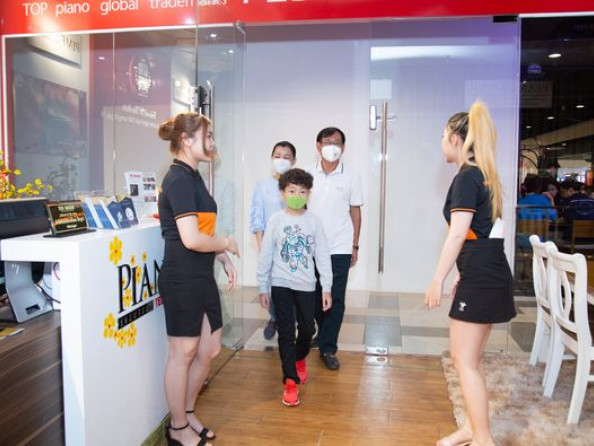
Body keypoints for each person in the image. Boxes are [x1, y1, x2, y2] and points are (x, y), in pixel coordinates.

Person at [425, 102, 516, 446]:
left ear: (454, 138)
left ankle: (483, 438)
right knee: (471, 360)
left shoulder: (467, 177)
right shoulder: (481, 173)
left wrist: (438, 278)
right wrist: (464, 271)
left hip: (482, 275)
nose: (441, 141)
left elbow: (458, 234)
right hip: (485, 270)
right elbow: (485, 232)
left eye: (442, 135)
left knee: (464, 360)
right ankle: (471, 428)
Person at [157, 112, 240, 446]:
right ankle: (177, 428)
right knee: (184, 352)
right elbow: (190, 239)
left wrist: (221, 256)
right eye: (208, 136)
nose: (213, 142)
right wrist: (226, 243)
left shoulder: (193, 177)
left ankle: (188, 412)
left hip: (201, 275)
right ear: (186, 140)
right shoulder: (178, 179)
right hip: (181, 276)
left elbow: (201, 230)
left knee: (210, 347)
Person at [256, 168, 333, 406]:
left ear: (308, 194)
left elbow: (322, 255)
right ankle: (290, 380)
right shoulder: (275, 220)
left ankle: (299, 358)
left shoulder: (313, 221)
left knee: (308, 329)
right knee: (286, 332)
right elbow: (266, 254)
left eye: (302, 191)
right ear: (282, 193)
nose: (297, 195)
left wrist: (327, 287)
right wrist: (262, 285)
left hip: (307, 285)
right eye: (292, 191)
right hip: (280, 283)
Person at [307, 127, 363, 370]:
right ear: (318, 146)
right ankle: (323, 332)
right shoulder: (307, 174)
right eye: (328, 142)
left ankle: (328, 348)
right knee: (314, 295)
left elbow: (355, 211)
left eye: (337, 142)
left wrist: (354, 245)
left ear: (344, 147)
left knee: (336, 297)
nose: (332, 146)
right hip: (311, 247)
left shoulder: (351, 176)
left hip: (340, 246)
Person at [250, 141, 297, 340]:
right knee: (272, 285)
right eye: (277, 156)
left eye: (286, 157)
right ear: (271, 158)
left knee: (292, 286)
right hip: (270, 244)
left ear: (294, 161)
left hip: (292, 244)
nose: (281, 160)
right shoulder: (262, 185)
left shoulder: (297, 186)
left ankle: (288, 320)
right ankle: (275, 318)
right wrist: (262, 246)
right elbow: (257, 217)